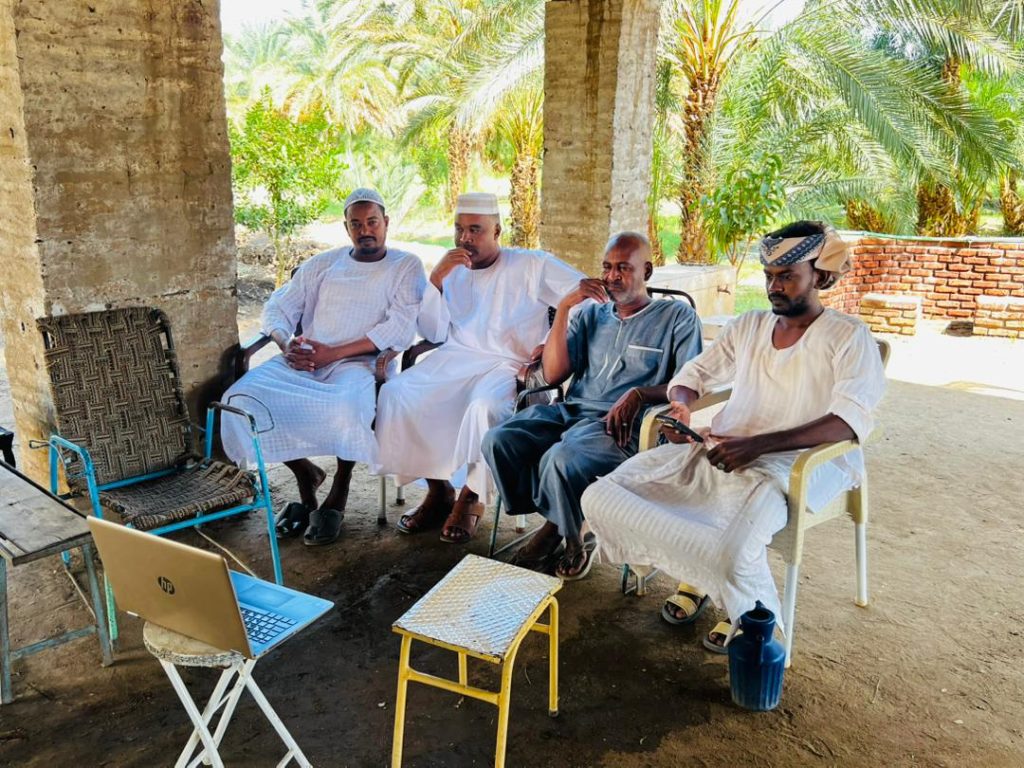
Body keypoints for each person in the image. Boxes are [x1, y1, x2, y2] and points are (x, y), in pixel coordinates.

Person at [580, 221, 886, 651]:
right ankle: (702, 575)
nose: (774, 287)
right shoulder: (750, 325)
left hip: (798, 464)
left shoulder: (848, 336)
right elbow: (695, 375)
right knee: (600, 497)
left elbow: (848, 421)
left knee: (731, 548)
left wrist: (756, 445)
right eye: (768, 277)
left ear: (818, 276)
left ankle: (752, 615)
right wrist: (683, 404)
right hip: (724, 448)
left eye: (787, 277)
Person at [481, 232, 703, 579]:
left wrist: (642, 394)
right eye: (606, 267)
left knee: (562, 458)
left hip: (624, 427)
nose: (612, 277)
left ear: (647, 270)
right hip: (573, 412)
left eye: (623, 268)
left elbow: (689, 379)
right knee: (499, 440)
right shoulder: (592, 316)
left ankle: (570, 537)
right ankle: (558, 518)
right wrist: (566, 307)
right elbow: (553, 373)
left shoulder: (676, 317)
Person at [375, 192, 583, 544]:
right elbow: (434, 332)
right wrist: (437, 280)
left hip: (509, 365)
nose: (465, 238)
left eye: (475, 230)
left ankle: (471, 497)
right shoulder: (452, 270)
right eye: (459, 229)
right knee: (397, 393)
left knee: (484, 407)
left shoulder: (531, 265)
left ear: (497, 230)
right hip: (456, 357)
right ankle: (438, 490)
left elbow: (585, 296)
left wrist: (552, 340)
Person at [222, 188, 426, 546]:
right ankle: (306, 475)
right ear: (346, 227)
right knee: (239, 400)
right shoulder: (323, 264)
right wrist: (288, 345)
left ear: (386, 223)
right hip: (304, 362)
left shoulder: (404, 265)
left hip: (360, 364)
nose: (366, 230)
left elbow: (400, 326)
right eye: (357, 224)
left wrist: (334, 353)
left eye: (373, 222)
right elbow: (277, 308)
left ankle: (339, 490)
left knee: (346, 407)